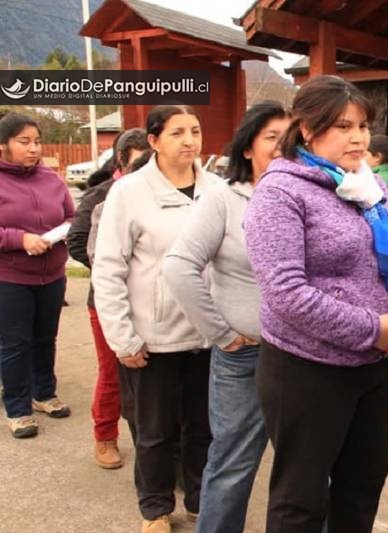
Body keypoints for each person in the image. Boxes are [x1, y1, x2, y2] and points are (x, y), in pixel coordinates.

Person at [243, 75, 388, 533]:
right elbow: (286, 293)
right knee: (300, 501)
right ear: (306, 129)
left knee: (361, 490)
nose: (358, 136)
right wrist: (372, 328)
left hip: (374, 366)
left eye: (362, 125)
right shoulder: (280, 192)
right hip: (307, 371)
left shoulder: (369, 188)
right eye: (343, 126)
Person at [162, 101, 290, 533]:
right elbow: (179, 266)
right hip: (245, 357)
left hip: (305, 357)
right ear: (248, 146)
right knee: (233, 461)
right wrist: (222, 333)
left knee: (308, 465)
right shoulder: (224, 198)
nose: (282, 146)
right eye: (272, 137)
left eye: (290, 137)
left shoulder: (311, 194)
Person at [92, 104, 221, 533]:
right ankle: (155, 510)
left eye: (196, 131)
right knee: (155, 432)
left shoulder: (216, 188)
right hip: (154, 338)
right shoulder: (129, 193)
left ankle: (203, 504)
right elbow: (108, 268)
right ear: (153, 141)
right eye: (177, 132)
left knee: (203, 429)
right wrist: (123, 337)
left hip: (208, 336)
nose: (190, 141)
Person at [68, 128, 149, 468]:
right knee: (112, 372)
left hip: (150, 302)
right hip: (106, 301)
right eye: (140, 160)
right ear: (122, 159)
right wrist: (111, 274)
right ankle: (105, 437)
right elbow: (77, 242)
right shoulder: (102, 195)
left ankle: (154, 445)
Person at [0, 112, 74, 438]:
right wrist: (20, 238)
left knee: (46, 337)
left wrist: (67, 231)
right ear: (4, 145)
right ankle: (17, 409)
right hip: (10, 277)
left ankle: (43, 393)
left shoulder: (52, 179)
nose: (33, 148)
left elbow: (73, 215)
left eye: (37, 141)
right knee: (15, 343)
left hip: (52, 274)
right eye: (24, 142)